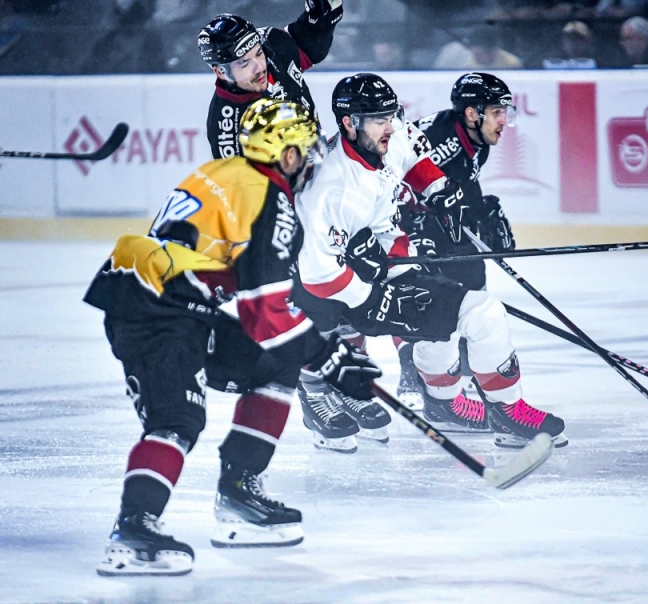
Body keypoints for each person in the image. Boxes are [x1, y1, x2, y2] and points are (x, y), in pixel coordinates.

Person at [85, 99, 381, 576]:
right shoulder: (270, 199)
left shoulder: (224, 172)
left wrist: (317, 351)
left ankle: (239, 493)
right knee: (176, 420)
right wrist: (330, 358)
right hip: (160, 310)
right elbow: (266, 314)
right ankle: (133, 533)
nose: (311, 164)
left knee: (276, 363)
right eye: (307, 152)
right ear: (287, 155)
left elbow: (249, 294)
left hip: (157, 296)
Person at [293, 73, 567, 452]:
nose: (392, 127)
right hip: (333, 292)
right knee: (338, 330)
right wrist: (375, 297)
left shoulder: (387, 138)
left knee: (480, 312)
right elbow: (317, 275)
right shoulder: (332, 188)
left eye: (392, 116)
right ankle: (315, 391)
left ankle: (467, 407)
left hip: (382, 268)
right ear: (349, 123)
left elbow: (411, 156)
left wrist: (439, 189)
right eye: (380, 120)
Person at [401, 72, 517, 420]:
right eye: (497, 112)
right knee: (423, 296)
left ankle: (461, 371)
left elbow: (464, 184)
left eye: (505, 112)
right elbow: (392, 184)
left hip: (440, 222)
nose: (503, 121)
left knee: (473, 277)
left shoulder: (477, 139)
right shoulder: (439, 141)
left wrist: (482, 212)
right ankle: (412, 377)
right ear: (471, 113)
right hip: (408, 226)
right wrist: (413, 234)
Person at [198, 1, 343, 159]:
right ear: (220, 72)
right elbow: (241, 176)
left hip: (322, 160)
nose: (259, 67)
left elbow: (307, 48)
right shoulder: (226, 131)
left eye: (258, 53)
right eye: (245, 64)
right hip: (301, 172)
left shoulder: (270, 44)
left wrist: (322, 14)